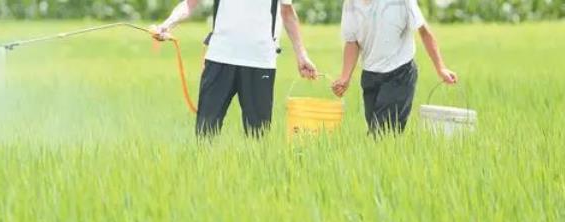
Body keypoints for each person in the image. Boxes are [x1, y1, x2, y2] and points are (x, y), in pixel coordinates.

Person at [152, 0, 318, 137]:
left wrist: (302, 55)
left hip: (260, 61)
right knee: (205, 132)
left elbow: (287, 12)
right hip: (219, 57)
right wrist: (166, 24)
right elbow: (190, 3)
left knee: (258, 136)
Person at [331, 0, 458, 135]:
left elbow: (424, 31)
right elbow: (352, 42)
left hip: (399, 73)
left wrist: (440, 68)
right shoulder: (350, 4)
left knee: (381, 134)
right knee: (379, 133)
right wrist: (345, 77)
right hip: (370, 76)